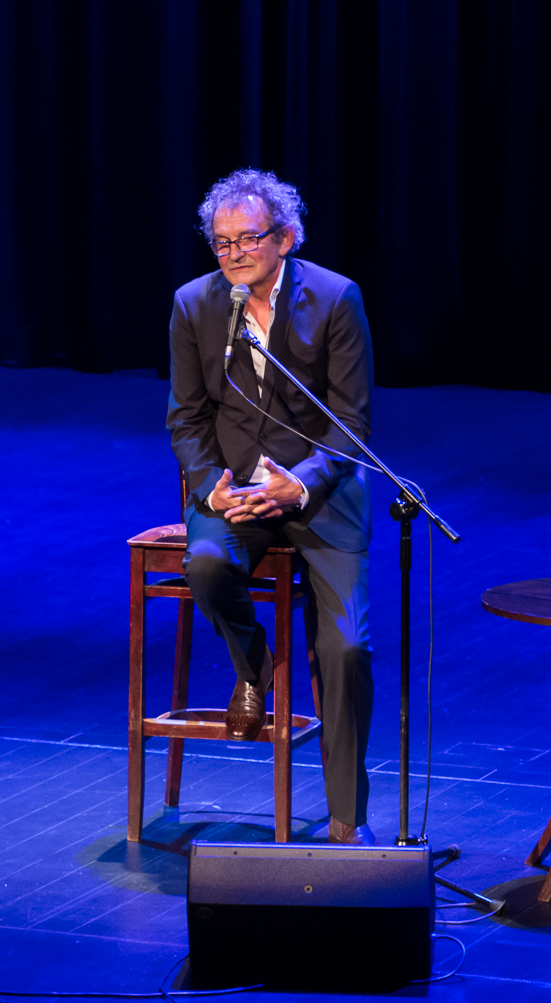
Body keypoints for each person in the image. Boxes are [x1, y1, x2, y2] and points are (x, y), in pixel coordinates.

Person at [166, 169, 377, 844]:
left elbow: (350, 421)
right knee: (204, 563)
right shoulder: (195, 305)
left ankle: (346, 818)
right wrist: (210, 486)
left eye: (247, 240)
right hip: (233, 491)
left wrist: (304, 480)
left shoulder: (336, 298)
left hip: (320, 496)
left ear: (284, 238)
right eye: (220, 242)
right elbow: (186, 417)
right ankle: (253, 668)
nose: (232, 254)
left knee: (344, 646)